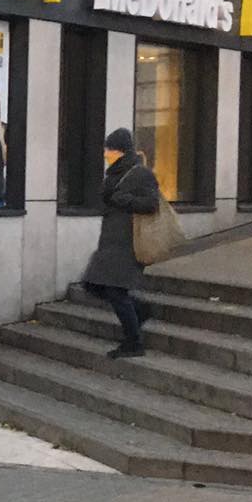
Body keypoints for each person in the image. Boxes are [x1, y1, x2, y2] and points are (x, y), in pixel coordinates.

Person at [80, 128, 162, 360]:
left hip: (128, 243)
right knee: (93, 285)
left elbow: (151, 204)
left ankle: (134, 342)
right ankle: (139, 310)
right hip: (110, 241)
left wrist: (123, 199)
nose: (106, 153)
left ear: (121, 151)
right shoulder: (113, 175)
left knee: (115, 291)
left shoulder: (140, 174)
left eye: (110, 149)